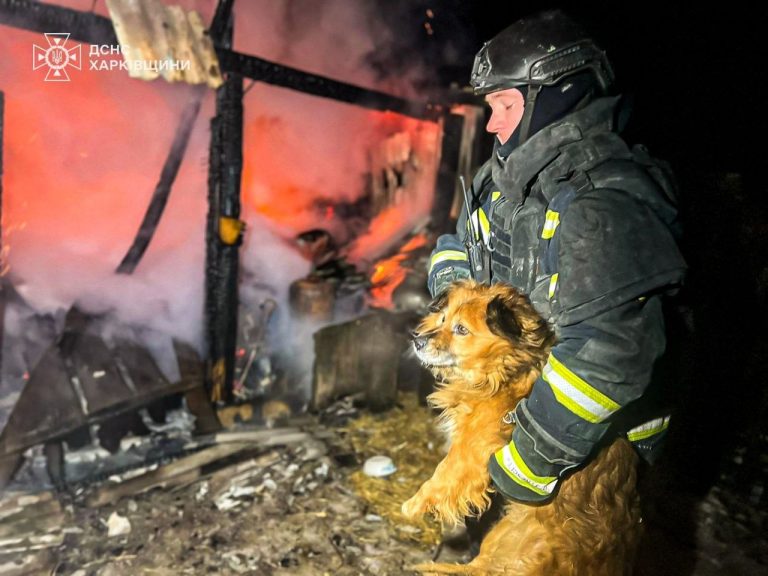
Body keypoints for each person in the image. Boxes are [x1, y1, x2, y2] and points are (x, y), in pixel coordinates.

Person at [427, 9, 687, 504]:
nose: (491, 124)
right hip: (505, 409)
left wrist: (528, 463)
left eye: (505, 105)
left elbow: (607, 359)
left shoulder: (603, 199)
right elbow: (456, 244)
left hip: (589, 451)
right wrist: (454, 302)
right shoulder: (501, 180)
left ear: (557, 98)